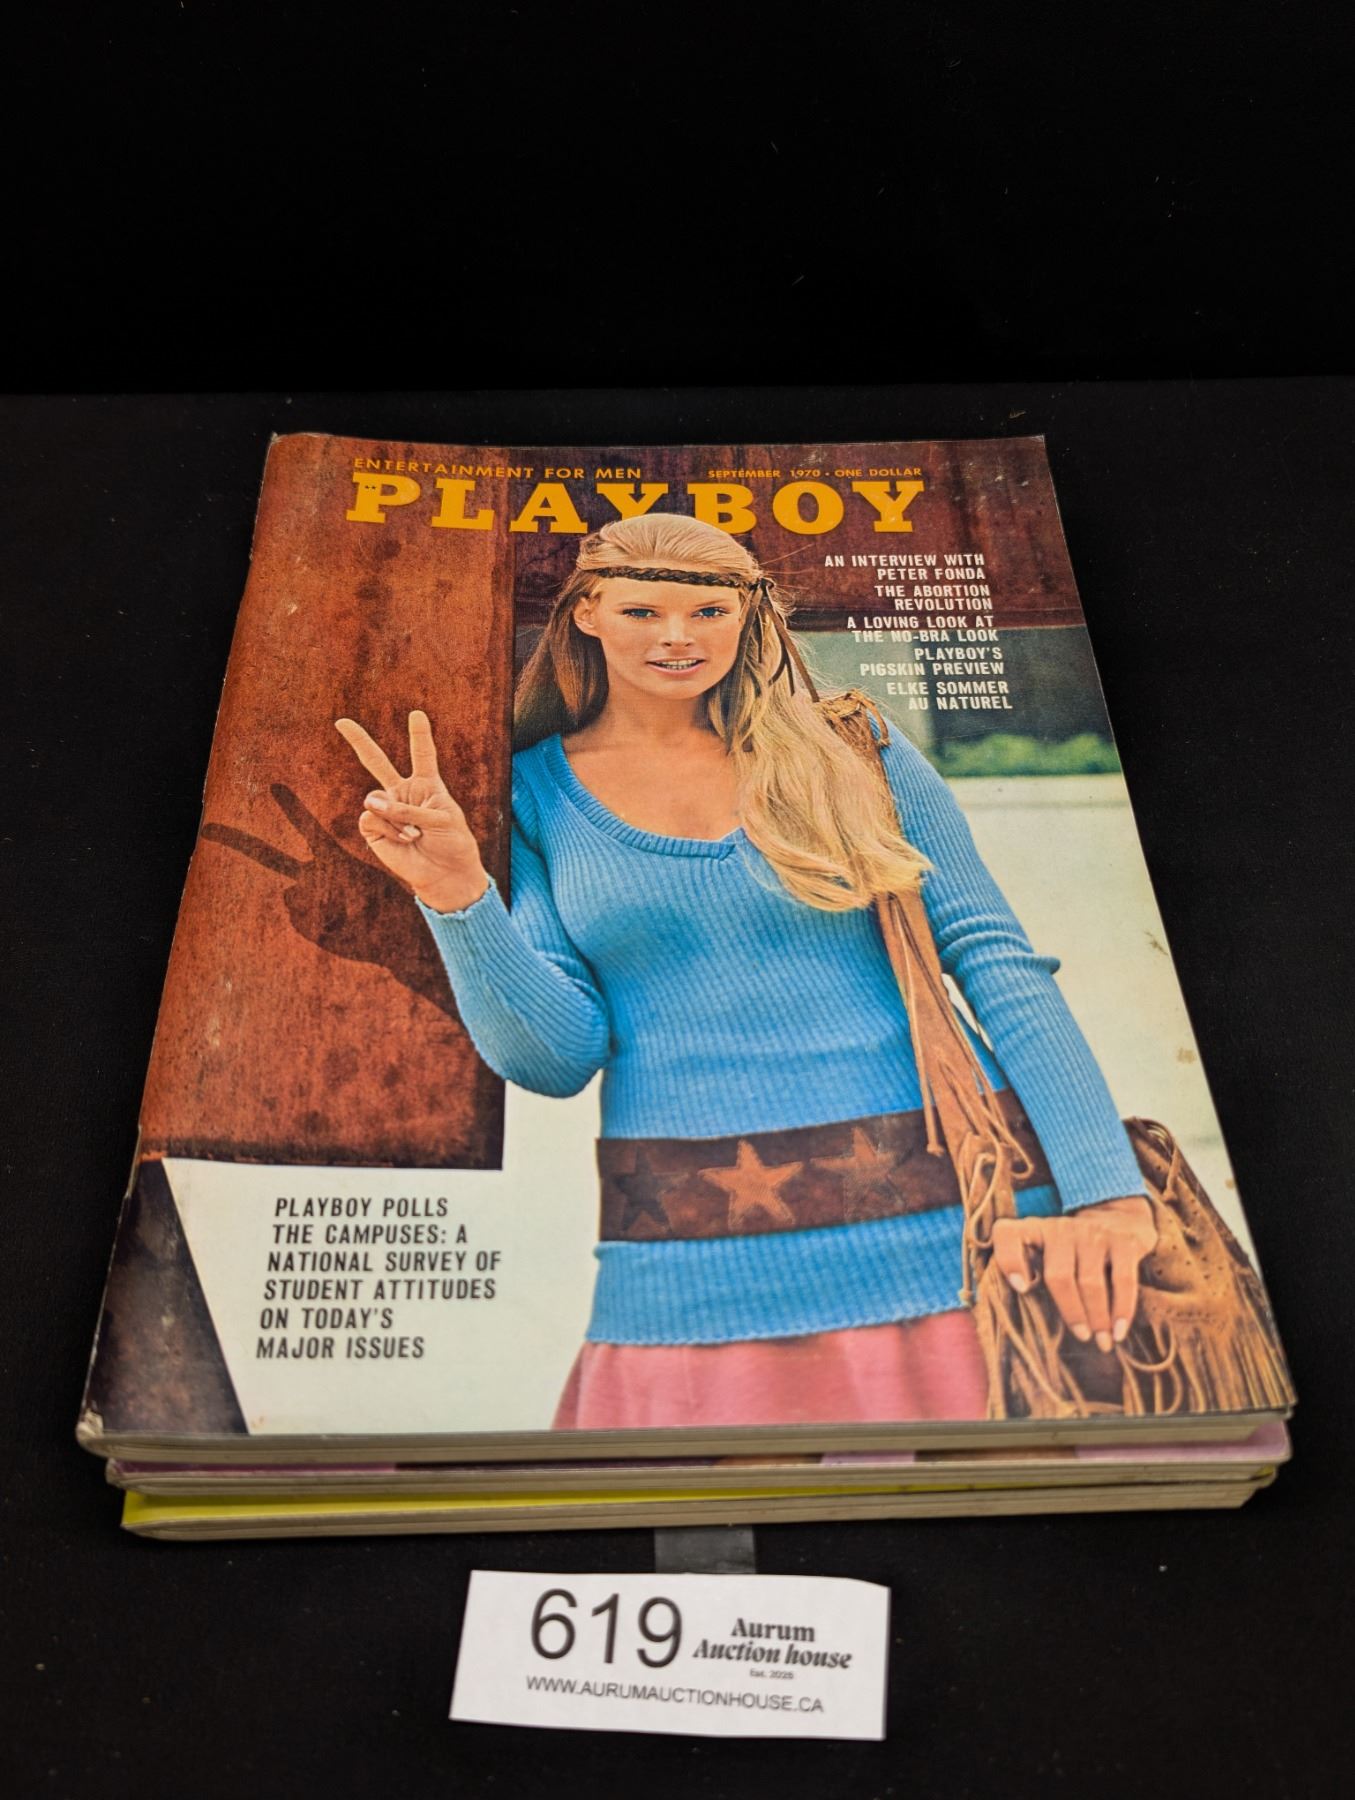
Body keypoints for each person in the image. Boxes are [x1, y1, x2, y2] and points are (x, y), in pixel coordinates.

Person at [335, 512, 1155, 1429]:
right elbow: (554, 1059)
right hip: (690, 1263)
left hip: (961, 1234)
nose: (677, 638)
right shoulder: (530, 793)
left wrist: (1105, 1190)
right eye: (641, 612)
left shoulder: (858, 748)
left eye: (707, 612)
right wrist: (456, 894)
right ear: (586, 614)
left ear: (749, 615)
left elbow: (997, 962)